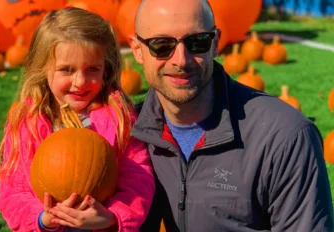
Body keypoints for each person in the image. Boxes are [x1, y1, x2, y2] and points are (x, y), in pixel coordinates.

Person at [128, 0, 334, 231]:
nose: (180, 60)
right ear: (137, 50)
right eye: (162, 45)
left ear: (215, 43)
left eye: (197, 42)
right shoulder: (126, 132)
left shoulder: (285, 136)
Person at [0, 7, 155, 232]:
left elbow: (138, 177)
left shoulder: (118, 118)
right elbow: (13, 191)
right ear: (43, 69)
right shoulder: (29, 124)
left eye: (92, 69)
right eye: (67, 70)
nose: (80, 82)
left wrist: (112, 216)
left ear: (105, 70)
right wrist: (41, 219)